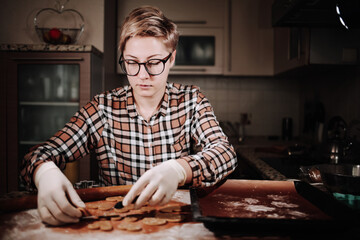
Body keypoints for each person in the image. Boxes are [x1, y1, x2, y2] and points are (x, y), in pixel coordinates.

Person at [20, 5, 237, 226]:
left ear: (171, 58)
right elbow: (37, 155)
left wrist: (179, 169)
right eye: (132, 62)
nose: (142, 75)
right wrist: (44, 172)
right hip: (116, 224)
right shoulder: (102, 108)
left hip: (174, 222)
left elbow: (225, 153)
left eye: (153, 62)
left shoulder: (191, 100)